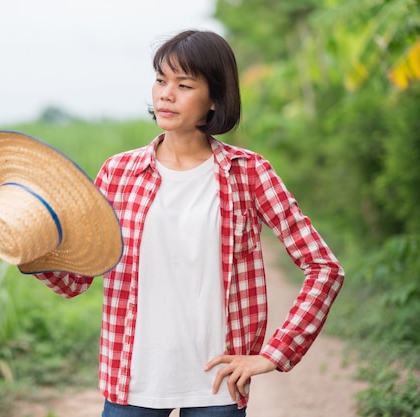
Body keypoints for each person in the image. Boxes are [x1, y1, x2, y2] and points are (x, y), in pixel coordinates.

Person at [32, 30, 344, 417]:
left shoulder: (248, 172)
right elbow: (77, 280)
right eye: (161, 80)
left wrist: (272, 355)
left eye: (183, 84)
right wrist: (32, 252)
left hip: (217, 387)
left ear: (214, 98)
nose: (165, 94)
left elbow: (324, 267)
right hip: (134, 382)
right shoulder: (118, 173)